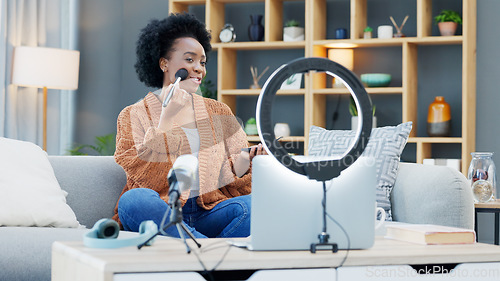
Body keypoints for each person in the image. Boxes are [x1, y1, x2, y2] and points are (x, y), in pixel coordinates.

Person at [112, 13, 266, 238]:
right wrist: (165, 119)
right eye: (190, 60)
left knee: (253, 206)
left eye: (202, 62)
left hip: (209, 211)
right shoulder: (132, 115)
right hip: (162, 209)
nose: (199, 69)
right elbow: (146, 177)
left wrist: (244, 161)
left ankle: (195, 252)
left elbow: (234, 183)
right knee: (132, 201)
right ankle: (209, 256)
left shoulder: (219, 112)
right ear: (164, 63)